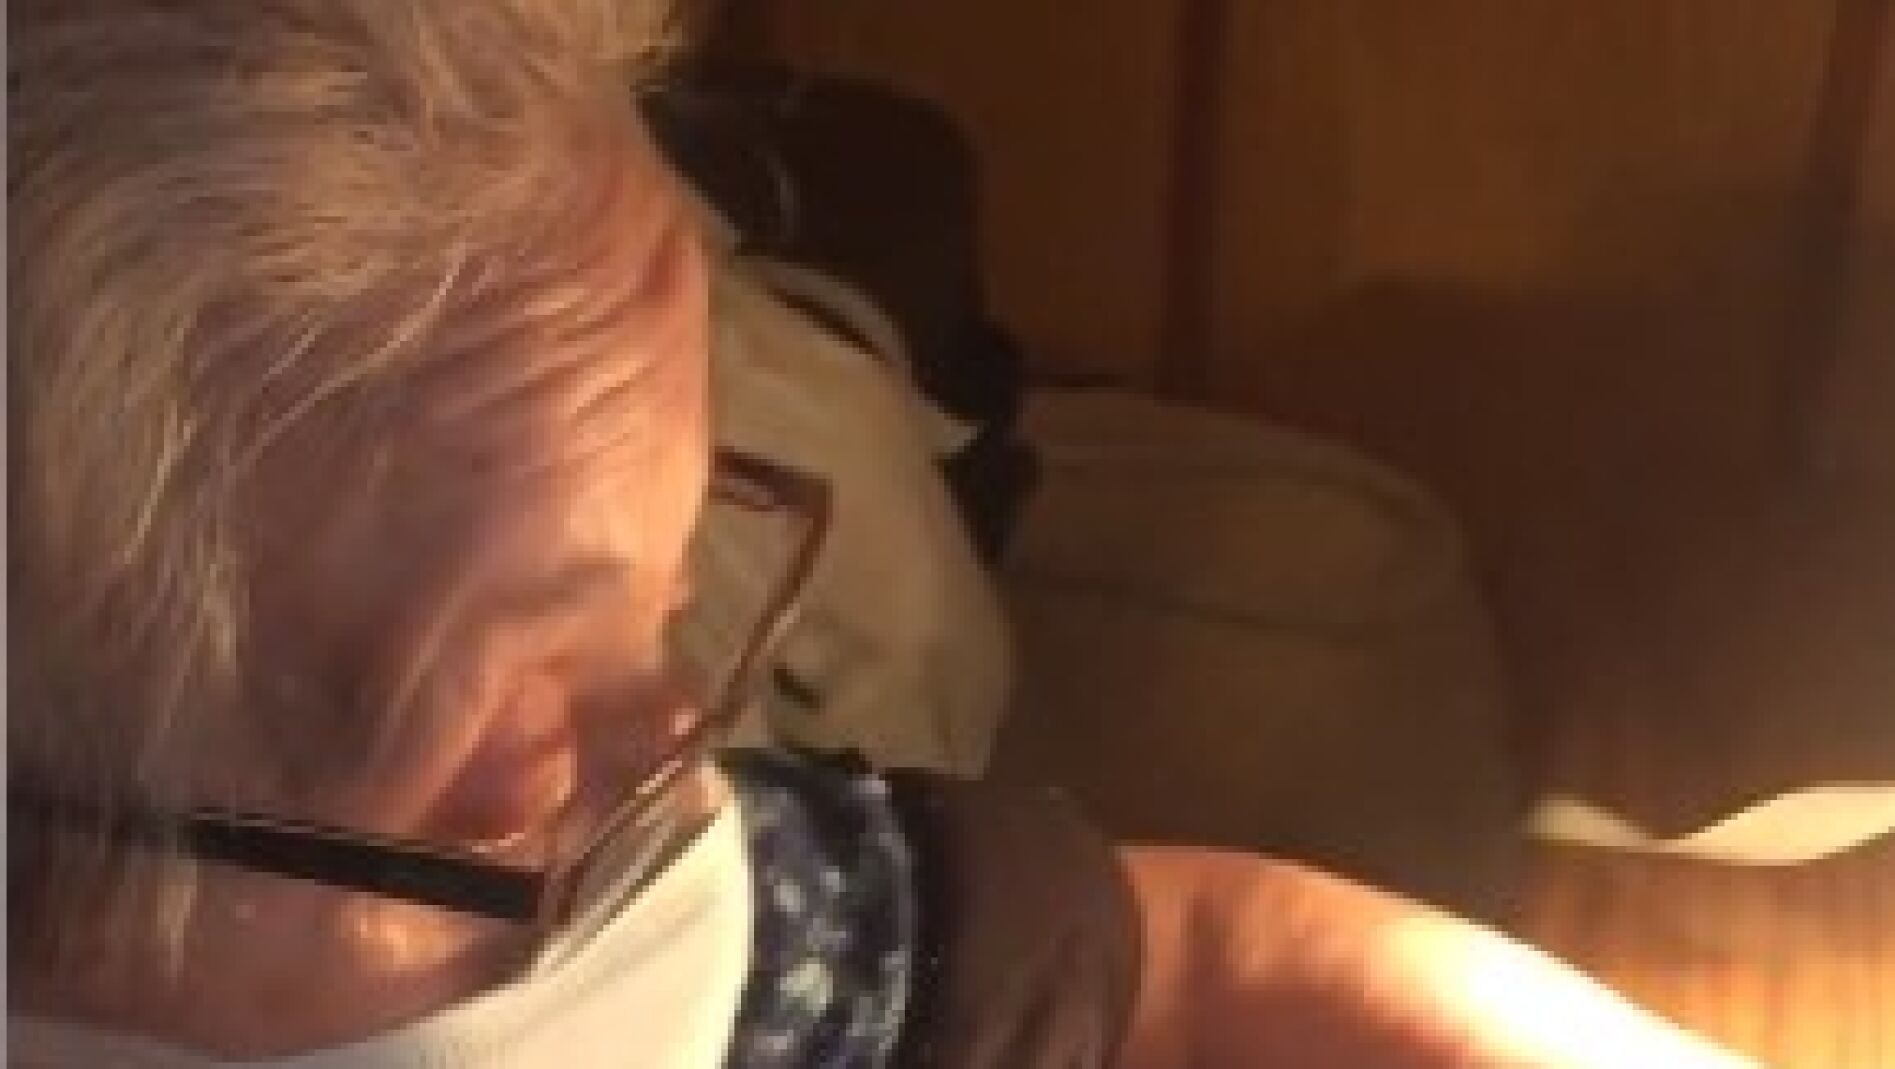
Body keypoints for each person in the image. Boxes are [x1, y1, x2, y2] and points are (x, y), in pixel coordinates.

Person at [8, 2, 1758, 1066]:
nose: (688, 752)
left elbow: (1190, 962)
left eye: (674, 585)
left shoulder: (646, 910)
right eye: (521, 740)